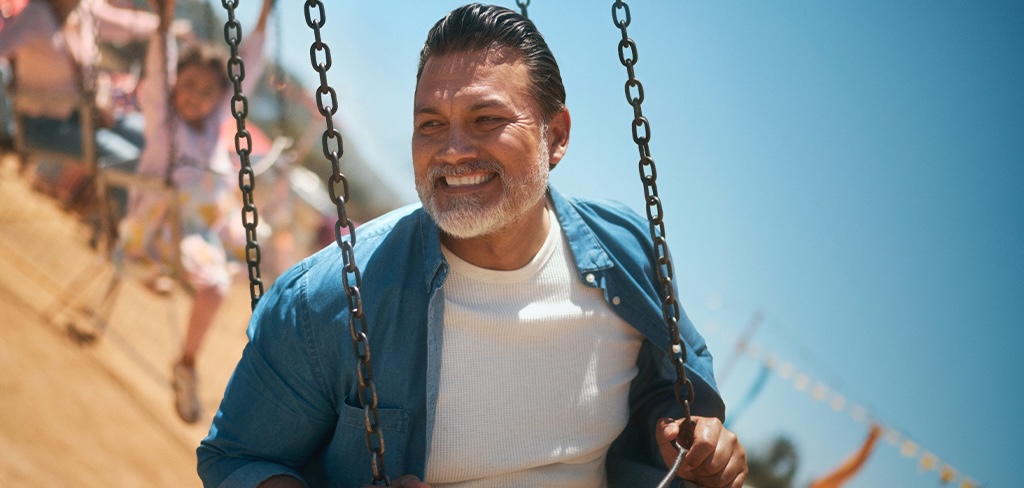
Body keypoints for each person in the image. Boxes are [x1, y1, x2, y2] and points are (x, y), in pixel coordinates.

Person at [198, 4, 747, 488]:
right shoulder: (327, 301)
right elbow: (238, 459)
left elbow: (668, 387)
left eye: (486, 120)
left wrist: (692, 436)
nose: (453, 151)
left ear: (555, 136)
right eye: (430, 125)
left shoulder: (630, 254)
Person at [117, 0, 272, 424]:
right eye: (187, 85)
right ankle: (187, 364)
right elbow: (159, 66)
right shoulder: (164, 120)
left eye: (207, 93)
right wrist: (165, 18)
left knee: (257, 245)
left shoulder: (214, 126)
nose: (194, 97)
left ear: (218, 99)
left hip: (202, 228)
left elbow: (245, 74)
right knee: (217, 286)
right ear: (173, 84)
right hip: (162, 228)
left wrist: (263, 16)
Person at [0, 0, 159, 206]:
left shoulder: (84, 10)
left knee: (153, 140)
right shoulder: (36, 15)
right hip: (44, 124)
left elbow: (124, 23)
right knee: (128, 164)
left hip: (84, 118)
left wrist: (164, 26)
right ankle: (129, 220)